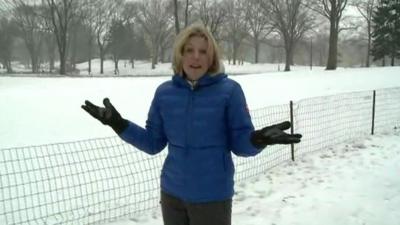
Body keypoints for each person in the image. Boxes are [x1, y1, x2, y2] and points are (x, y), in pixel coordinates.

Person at [82, 23, 302, 225]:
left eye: (203, 51)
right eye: (189, 50)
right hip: (172, 196)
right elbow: (152, 143)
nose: (196, 57)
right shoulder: (164, 93)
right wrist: (118, 124)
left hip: (212, 198)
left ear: (211, 57)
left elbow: (240, 144)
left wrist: (258, 139)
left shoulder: (230, 92)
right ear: (180, 54)